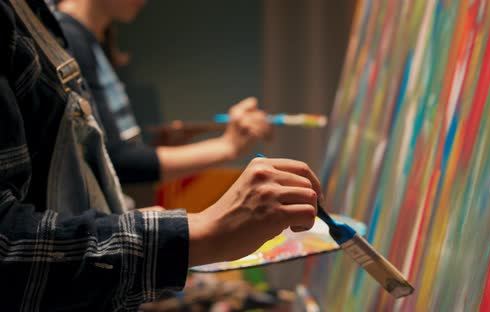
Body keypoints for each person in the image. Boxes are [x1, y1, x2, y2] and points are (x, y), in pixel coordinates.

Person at [0, 0, 321, 310]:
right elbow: (119, 160)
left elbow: (91, 151)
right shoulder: (67, 34)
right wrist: (208, 216)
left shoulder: (56, 28)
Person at [52, 0, 272, 184]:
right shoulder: (70, 38)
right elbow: (115, 162)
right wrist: (228, 146)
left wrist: (159, 149)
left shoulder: (88, 39)